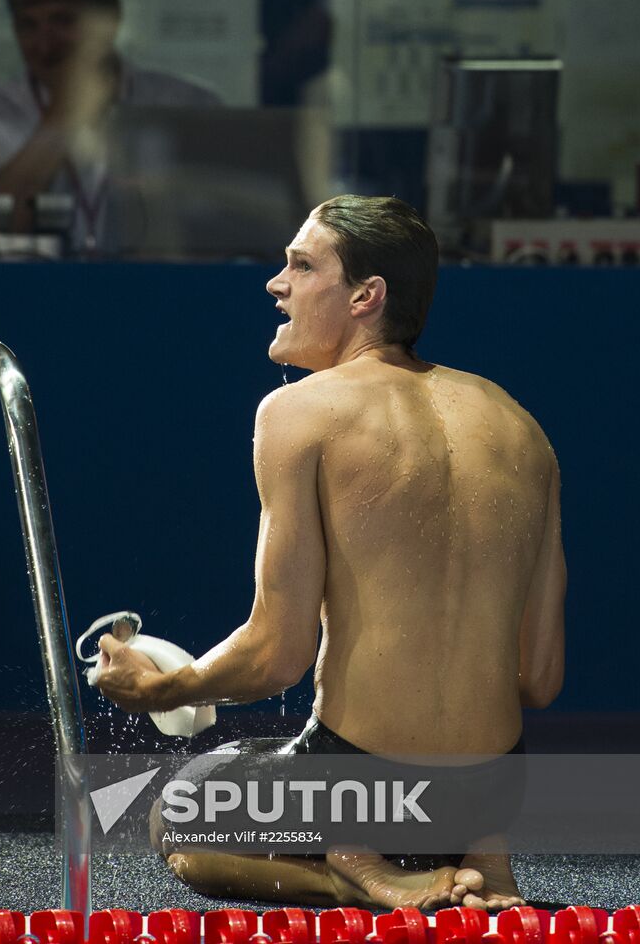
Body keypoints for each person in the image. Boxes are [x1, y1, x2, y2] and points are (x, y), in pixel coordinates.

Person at [96, 194, 566, 910]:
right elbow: (539, 679)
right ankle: (479, 860)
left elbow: (276, 654)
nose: (275, 284)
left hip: (362, 787)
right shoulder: (521, 427)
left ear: (365, 297)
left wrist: (161, 689)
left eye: (301, 265)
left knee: (181, 810)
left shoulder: (301, 411)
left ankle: (367, 873)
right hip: (489, 787)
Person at [0, 0, 217, 251]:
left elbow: (222, 230)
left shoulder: (186, 106)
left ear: (110, 20)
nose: (45, 45)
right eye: (28, 25)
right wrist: (61, 116)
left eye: (63, 20)